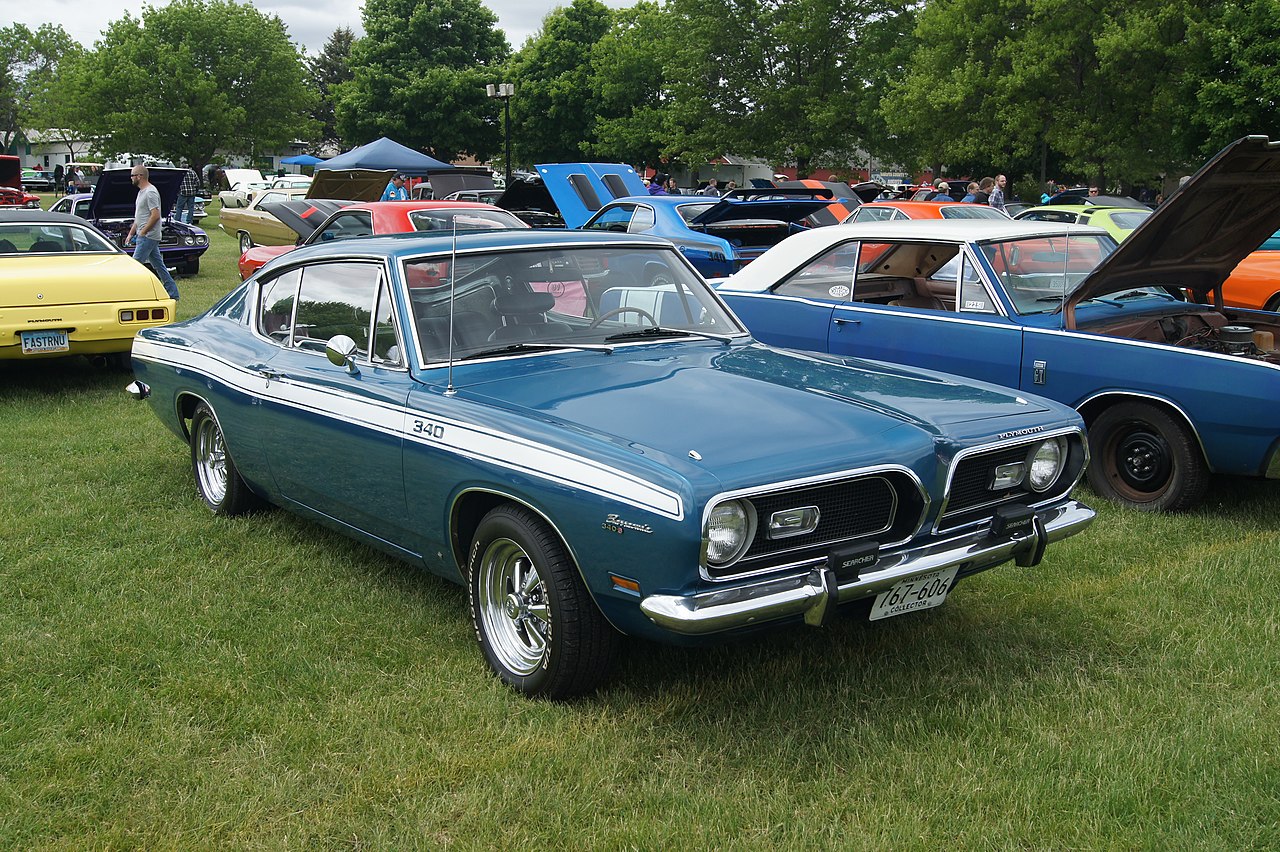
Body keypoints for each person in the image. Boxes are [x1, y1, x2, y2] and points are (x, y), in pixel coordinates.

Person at [125, 166, 180, 301]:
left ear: (140, 176)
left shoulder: (151, 192)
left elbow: (155, 215)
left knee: (135, 266)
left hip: (148, 236)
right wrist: (131, 234)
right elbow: (139, 217)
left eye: (132, 175)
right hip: (143, 235)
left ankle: (131, 295)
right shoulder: (141, 192)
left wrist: (143, 232)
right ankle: (173, 294)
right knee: (159, 266)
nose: (131, 178)